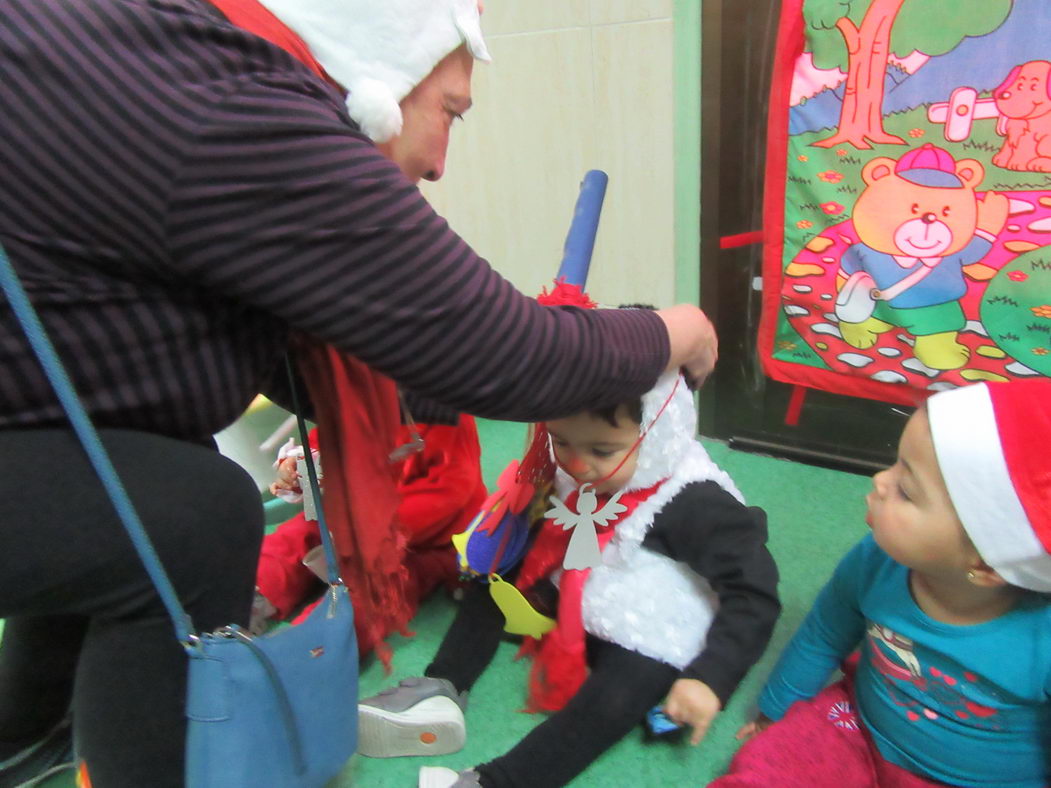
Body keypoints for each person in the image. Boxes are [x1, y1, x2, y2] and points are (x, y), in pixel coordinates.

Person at [0, 1, 721, 786]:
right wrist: (671, 329)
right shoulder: (243, 106)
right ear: (378, 76)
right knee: (197, 519)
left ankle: (33, 727)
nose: (444, 161)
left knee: (149, 478)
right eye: (449, 111)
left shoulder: (174, 53)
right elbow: (504, 352)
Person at [357, 370, 781, 788]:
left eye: (602, 449)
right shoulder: (577, 462)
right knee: (495, 579)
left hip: (652, 622)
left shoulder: (698, 502)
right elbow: (542, 524)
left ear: (655, 432)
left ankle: (502, 781)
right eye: (560, 442)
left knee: (620, 694)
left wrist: (711, 678)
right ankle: (443, 687)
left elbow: (755, 593)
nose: (578, 465)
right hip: (584, 579)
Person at [712, 379, 1051, 788]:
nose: (879, 481)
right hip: (858, 728)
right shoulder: (875, 560)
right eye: (895, 462)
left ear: (985, 563)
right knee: (765, 770)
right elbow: (825, 632)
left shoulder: (1040, 637)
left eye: (906, 491)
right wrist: (776, 709)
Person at [253, 408, 488, 652]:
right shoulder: (351, 403)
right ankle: (257, 592)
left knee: (381, 591)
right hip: (354, 515)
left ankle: (311, 643)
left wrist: (371, 529)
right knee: (297, 532)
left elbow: (448, 492)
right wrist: (296, 468)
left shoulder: (442, 414)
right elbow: (322, 449)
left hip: (429, 539)